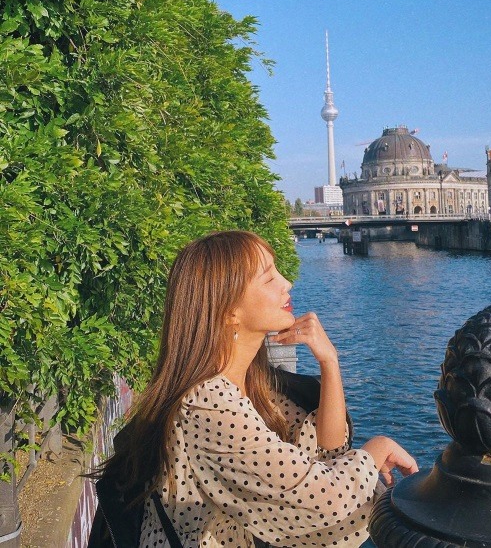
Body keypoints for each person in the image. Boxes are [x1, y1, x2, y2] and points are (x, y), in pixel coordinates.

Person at [102, 230, 417, 547]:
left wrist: (329, 361)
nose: (287, 284)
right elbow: (325, 500)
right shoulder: (207, 403)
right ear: (229, 311)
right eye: (269, 279)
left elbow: (328, 453)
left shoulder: (254, 386)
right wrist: (376, 448)